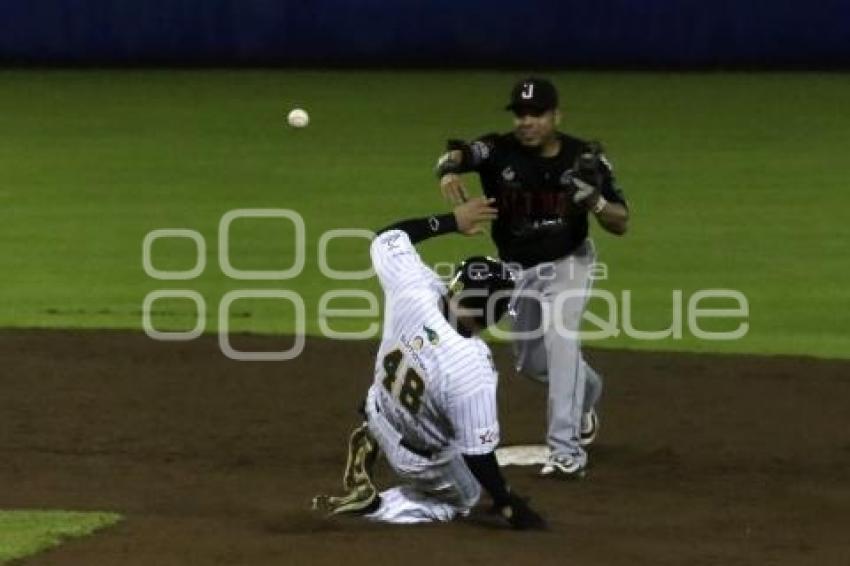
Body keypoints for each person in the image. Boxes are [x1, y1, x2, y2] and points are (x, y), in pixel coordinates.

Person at [434, 77, 630, 478]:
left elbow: (621, 221)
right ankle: (588, 394)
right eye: (520, 114)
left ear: (556, 116)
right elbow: (456, 155)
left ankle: (566, 451)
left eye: (536, 114)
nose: (526, 121)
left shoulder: (584, 158)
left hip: (567, 262)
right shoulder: (497, 150)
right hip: (516, 269)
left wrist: (594, 200)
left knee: (562, 342)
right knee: (530, 362)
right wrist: (447, 171)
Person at [312, 197, 546, 530]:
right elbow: (478, 454)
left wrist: (452, 220)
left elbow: (388, 236)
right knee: (465, 496)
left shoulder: (415, 288)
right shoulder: (471, 365)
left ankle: (370, 435)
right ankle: (376, 507)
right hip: (416, 460)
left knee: (406, 387)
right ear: (492, 314)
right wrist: (508, 501)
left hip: (377, 409)